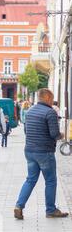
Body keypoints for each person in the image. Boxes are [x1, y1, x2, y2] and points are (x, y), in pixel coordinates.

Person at [14, 88, 69, 220]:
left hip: (29, 151)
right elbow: (54, 134)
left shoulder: (30, 111)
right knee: (50, 180)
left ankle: (19, 206)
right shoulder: (50, 113)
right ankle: (50, 210)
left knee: (31, 179)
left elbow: (26, 130)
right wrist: (62, 135)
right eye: (52, 98)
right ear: (48, 98)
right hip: (44, 152)